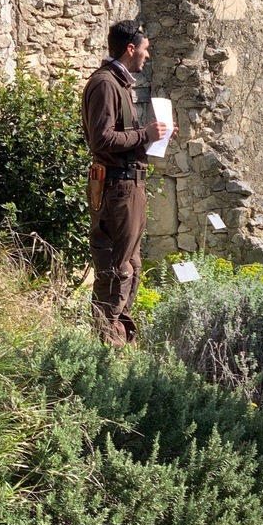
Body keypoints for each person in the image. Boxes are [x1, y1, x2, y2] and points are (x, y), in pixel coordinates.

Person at [81, 20, 168, 347]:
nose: (147, 56)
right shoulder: (105, 84)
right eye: (144, 50)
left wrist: (145, 137)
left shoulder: (119, 84)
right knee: (117, 270)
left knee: (130, 266)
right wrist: (145, 134)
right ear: (130, 49)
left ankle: (121, 345)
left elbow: (116, 136)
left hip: (128, 188)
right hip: (117, 189)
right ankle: (106, 349)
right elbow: (101, 140)